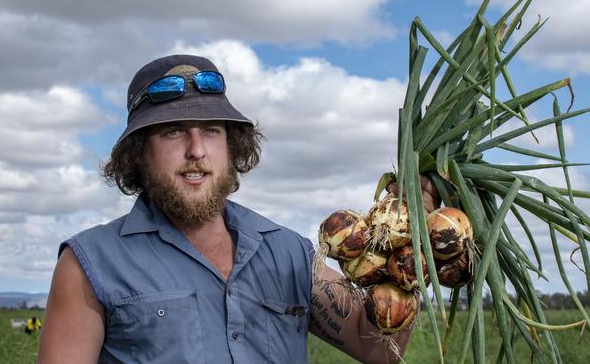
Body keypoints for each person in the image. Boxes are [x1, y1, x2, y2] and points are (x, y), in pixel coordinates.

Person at [38, 54, 437, 363]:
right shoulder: (91, 265)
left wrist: (411, 240)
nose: (196, 150)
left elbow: (378, 350)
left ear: (232, 147)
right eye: (173, 131)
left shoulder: (289, 253)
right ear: (139, 153)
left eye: (211, 131)